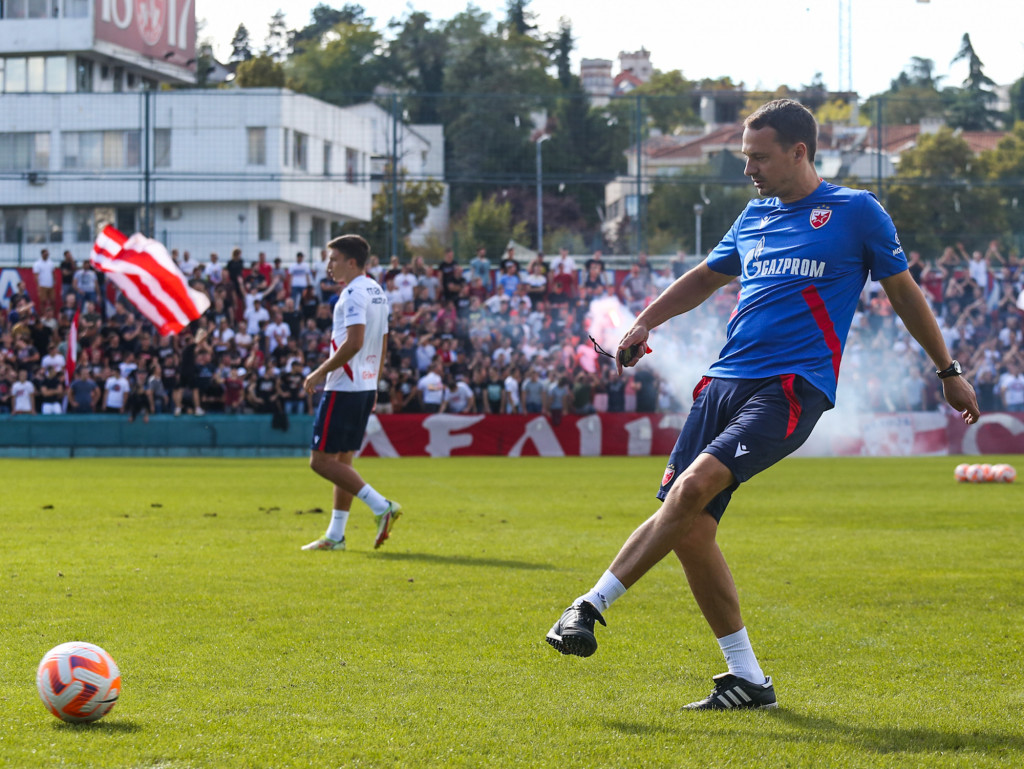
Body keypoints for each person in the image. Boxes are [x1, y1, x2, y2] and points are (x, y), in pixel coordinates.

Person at [544, 99, 981, 711]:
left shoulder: (857, 211)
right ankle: (747, 679)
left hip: (791, 386)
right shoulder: (753, 216)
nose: (748, 168)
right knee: (690, 528)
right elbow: (705, 276)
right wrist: (644, 321)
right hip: (722, 383)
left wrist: (948, 370)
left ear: (799, 152)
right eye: (745, 156)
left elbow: (904, 293)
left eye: (759, 157)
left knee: (690, 490)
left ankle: (588, 606)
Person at [301, 234, 402, 553]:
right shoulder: (377, 291)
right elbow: (382, 341)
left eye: (333, 259)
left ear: (352, 262)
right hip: (364, 386)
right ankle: (335, 536)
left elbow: (355, 342)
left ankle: (382, 506)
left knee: (320, 462)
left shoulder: (353, 294)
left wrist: (320, 371)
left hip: (344, 386)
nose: (329, 266)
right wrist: (375, 383)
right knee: (343, 461)